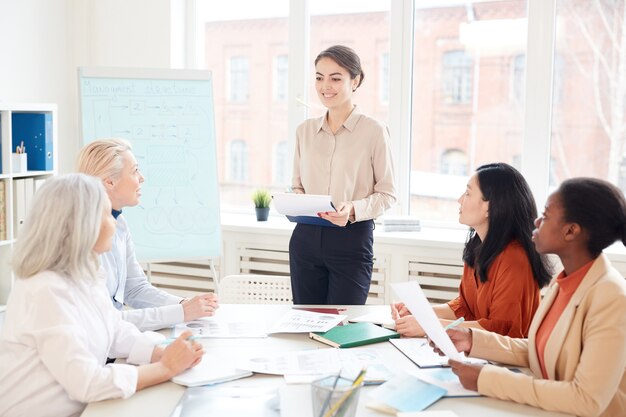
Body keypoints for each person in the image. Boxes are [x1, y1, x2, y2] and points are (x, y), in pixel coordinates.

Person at [0, 174, 203, 417]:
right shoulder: (44, 290)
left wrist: (163, 351)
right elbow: (87, 383)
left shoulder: (87, 271)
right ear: (81, 224)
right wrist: (166, 367)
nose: (114, 223)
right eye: (107, 215)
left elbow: (115, 331)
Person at [442, 177, 626, 417]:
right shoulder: (565, 282)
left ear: (571, 231)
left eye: (546, 216)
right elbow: (542, 349)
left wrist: (487, 379)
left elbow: (586, 400)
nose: (537, 221)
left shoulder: (612, 297)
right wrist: (472, 340)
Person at [289, 45, 397, 305]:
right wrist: (295, 199)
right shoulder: (304, 131)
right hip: (305, 239)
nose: (326, 86)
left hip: (351, 239)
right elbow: (297, 186)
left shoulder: (374, 131)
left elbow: (388, 194)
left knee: (344, 325)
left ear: (355, 80)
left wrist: (352, 209)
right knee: (306, 322)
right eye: (319, 77)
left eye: (336, 78)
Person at [393, 163, 552, 337]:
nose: (460, 199)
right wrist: (420, 313)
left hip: (506, 360)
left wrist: (430, 325)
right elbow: (464, 307)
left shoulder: (514, 259)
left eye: (468, 193)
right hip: (478, 353)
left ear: (489, 207)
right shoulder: (479, 246)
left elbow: (501, 330)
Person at [77, 139, 218, 331]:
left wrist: (185, 304)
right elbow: (107, 322)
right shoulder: (82, 238)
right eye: (134, 171)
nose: (142, 178)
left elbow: (134, 288)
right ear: (109, 182)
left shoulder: (119, 223)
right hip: (100, 345)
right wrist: (181, 312)